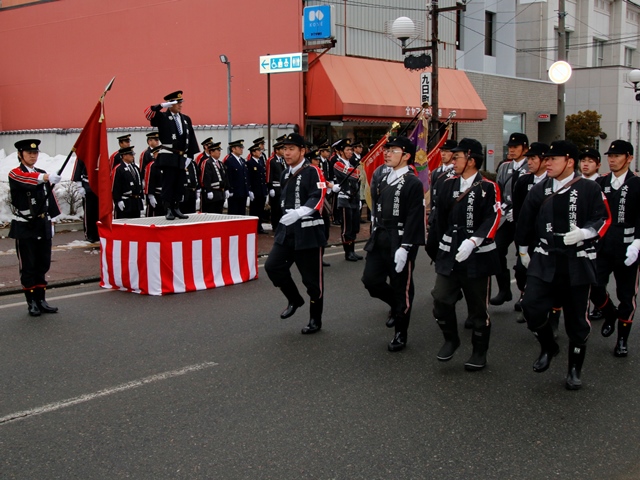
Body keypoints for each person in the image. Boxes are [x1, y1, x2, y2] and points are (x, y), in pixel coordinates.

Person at [516, 140, 610, 390]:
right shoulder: (539, 189)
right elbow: (525, 220)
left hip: (576, 262)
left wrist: (586, 233)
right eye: (545, 159)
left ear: (570, 162)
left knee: (576, 320)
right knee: (530, 306)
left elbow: (603, 218)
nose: (546, 163)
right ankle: (549, 346)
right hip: (545, 258)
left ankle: (574, 368)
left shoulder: (589, 189)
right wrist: (523, 249)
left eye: (552, 159)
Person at [427, 138, 501, 371]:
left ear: (471, 160)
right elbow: (439, 219)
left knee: (478, 306)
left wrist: (474, 240)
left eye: (457, 156)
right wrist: (435, 247)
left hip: (477, 254)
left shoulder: (488, 187)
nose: (453, 160)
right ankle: (451, 338)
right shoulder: (447, 183)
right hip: (450, 253)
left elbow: (493, 218)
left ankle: (479, 351)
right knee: (440, 298)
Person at [362, 136, 425, 352]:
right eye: (386, 150)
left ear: (406, 156)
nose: (386, 153)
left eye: (392, 150)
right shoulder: (382, 178)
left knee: (401, 286)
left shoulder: (413, 183)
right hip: (380, 237)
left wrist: (406, 247)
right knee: (370, 280)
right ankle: (396, 305)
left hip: (400, 240)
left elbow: (415, 218)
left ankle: (401, 331)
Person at [264, 133, 327, 335]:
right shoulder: (284, 173)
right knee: (272, 266)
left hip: (308, 233)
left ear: (302, 151)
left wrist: (300, 212)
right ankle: (294, 298)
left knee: (312, 281)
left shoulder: (313, 171)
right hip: (287, 231)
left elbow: (318, 197)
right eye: (284, 149)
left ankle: (315, 318)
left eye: (291, 148)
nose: (287, 152)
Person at [592, 140, 640, 357]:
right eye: (610, 156)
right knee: (594, 286)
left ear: (629, 158)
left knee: (626, 295)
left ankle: (622, 339)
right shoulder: (600, 183)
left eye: (617, 155)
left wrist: (638, 242)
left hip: (628, 248)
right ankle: (608, 313)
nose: (612, 159)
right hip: (602, 247)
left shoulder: (637, 184)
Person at [8, 139, 62, 316]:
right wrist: (45, 178)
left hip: (42, 224)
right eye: (29, 153)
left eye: (35, 153)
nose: (33, 155)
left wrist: (52, 220)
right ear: (20, 154)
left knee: (42, 264)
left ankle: (41, 300)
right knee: (28, 265)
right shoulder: (16, 173)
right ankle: (31, 302)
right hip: (25, 226)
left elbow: (49, 198)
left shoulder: (41, 173)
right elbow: (26, 180)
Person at [145, 90, 199, 220]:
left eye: (181, 102)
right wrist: (162, 106)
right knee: (168, 182)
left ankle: (176, 207)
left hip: (181, 156)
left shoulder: (185, 119)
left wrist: (190, 156)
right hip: (169, 155)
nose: (180, 105)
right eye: (177, 103)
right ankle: (168, 208)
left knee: (179, 183)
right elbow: (149, 113)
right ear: (170, 104)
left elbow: (191, 137)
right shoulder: (163, 117)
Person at [511, 142, 549, 321]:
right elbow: (518, 212)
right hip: (527, 236)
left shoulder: (553, 182)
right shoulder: (523, 180)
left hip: (547, 238)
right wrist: (521, 242)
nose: (530, 162)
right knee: (520, 269)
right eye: (529, 158)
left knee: (544, 274)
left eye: (533, 158)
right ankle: (524, 294)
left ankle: (540, 308)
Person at [492, 133, 529, 307]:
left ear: (525, 148)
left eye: (516, 147)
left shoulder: (531, 166)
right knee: (497, 249)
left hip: (523, 215)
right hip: (506, 215)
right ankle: (504, 289)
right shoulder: (504, 167)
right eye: (510, 147)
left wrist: (519, 209)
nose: (512, 150)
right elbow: (498, 189)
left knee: (523, 255)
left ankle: (524, 294)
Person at [579, 147, 605, 322]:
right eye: (583, 161)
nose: (585, 164)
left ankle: (604, 307)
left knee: (597, 278)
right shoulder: (574, 183)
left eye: (590, 161)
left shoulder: (603, 184)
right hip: (577, 237)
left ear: (598, 165)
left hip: (599, 237)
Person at [331, 138, 362, 261]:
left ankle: (353, 251)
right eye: (348, 150)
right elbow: (353, 175)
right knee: (347, 227)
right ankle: (348, 252)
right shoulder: (338, 164)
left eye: (351, 149)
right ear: (340, 151)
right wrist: (361, 171)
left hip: (354, 198)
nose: (350, 152)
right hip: (344, 199)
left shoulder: (351, 163)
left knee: (354, 226)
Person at [71, 154, 99, 243]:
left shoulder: (101, 153)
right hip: (88, 186)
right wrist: (80, 186)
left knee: (99, 212)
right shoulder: (83, 155)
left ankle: (99, 233)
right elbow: (78, 170)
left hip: (99, 187)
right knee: (89, 212)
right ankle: (90, 234)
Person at [112, 145, 143, 219]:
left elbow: (139, 182)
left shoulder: (135, 167)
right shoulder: (119, 169)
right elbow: (115, 186)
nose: (133, 156)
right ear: (124, 156)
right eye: (131, 154)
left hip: (135, 202)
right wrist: (118, 200)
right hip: (125, 201)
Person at [225, 139, 253, 215]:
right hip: (234, 192)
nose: (242, 149)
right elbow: (228, 176)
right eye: (239, 147)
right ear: (233, 149)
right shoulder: (229, 161)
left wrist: (248, 189)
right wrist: (229, 189)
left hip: (243, 192)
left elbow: (246, 176)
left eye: (242, 147)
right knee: (234, 213)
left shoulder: (242, 161)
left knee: (242, 213)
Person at [200, 141, 229, 214]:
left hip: (220, 193)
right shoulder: (207, 162)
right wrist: (208, 190)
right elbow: (206, 177)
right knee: (211, 212)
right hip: (213, 192)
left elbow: (225, 177)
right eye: (218, 150)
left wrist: (226, 189)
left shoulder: (220, 163)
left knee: (219, 213)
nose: (219, 152)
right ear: (212, 152)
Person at [247, 142, 268, 233]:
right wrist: (250, 190)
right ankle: (253, 227)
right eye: (258, 150)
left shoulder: (261, 161)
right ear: (253, 152)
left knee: (260, 209)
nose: (260, 152)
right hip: (255, 190)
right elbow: (249, 178)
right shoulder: (249, 163)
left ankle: (259, 227)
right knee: (254, 210)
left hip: (262, 190)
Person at [267, 137, 286, 229]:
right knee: (275, 208)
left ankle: (280, 223)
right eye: (282, 149)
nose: (283, 151)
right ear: (277, 150)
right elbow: (269, 174)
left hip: (282, 187)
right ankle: (275, 224)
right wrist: (270, 187)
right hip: (275, 187)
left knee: (281, 207)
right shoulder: (272, 160)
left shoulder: (283, 160)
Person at [144, 145, 164, 217]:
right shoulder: (151, 166)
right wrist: (150, 195)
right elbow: (149, 181)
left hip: (164, 194)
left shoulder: (164, 165)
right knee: (154, 215)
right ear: (155, 154)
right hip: (156, 194)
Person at [180, 150, 200, 214]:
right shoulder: (180, 162)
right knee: (183, 210)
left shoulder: (193, 163)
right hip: (183, 191)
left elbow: (196, 175)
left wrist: (198, 189)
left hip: (192, 191)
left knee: (191, 211)